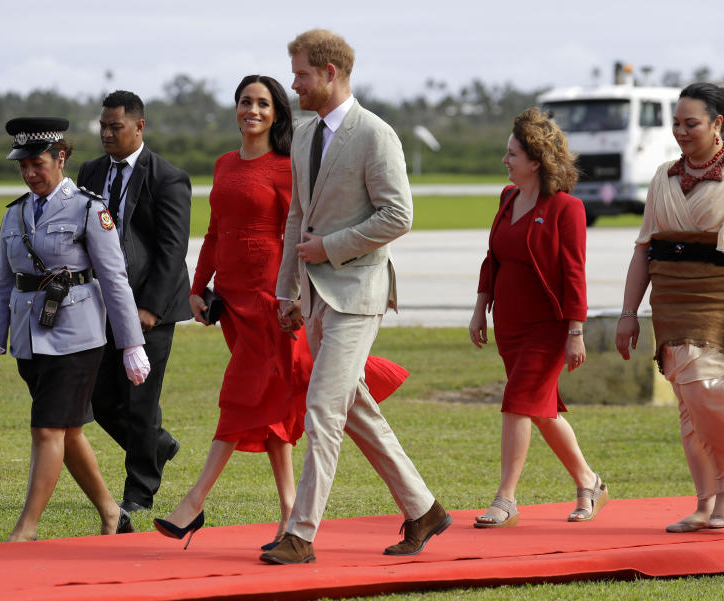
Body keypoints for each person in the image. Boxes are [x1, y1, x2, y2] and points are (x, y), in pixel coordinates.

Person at [152, 74, 410, 550]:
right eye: (245, 102)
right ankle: (291, 512)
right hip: (231, 301)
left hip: (272, 299)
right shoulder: (225, 164)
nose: (252, 110)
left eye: (263, 103)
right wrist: (197, 286)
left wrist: (292, 293)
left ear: (276, 114)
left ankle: (194, 501)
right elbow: (214, 231)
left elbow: (298, 230)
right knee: (269, 398)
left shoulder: (286, 164)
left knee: (241, 392)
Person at [261, 30, 450, 565]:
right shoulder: (301, 134)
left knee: (322, 406)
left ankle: (301, 534)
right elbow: (298, 216)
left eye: (299, 74)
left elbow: (398, 215)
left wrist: (330, 249)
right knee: (354, 407)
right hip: (316, 295)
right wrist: (287, 289)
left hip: (358, 290)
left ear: (329, 73)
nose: (292, 84)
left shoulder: (375, 134)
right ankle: (424, 510)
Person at [0, 117, 151, 541]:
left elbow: (114, 280)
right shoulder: (15, 213)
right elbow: (3, 284)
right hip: (29, 339)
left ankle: (27, 529)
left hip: (76, 338)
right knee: (68, 430)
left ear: (60, 158)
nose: (30, 173)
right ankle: (113, 514)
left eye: (37, 163)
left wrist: (131, 343)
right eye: (23, 166)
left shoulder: (89, 209)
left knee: (47, 428)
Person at [615, 83, 724, 533]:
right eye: (676, 123)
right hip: (671, 301)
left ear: (719, 124)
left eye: (691, 123)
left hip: (721, 299)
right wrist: (628, 313)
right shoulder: (662, 176)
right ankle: (706, 501)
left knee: (705, 391)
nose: (680, 131)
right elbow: (644, 250)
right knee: (688, 404)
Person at [468, 107, 607, 528]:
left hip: (549, 325)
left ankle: (505, 498)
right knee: (541, 410)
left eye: (512, 154)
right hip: (509, 321)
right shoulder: (508, 197)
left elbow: (573, 272)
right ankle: (589, 482)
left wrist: (576, 330)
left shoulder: (567, 208)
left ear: (536, 160)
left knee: (518, 402)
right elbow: (493, 257)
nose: (505, 161)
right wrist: (479, 308)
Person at [77, 90, 190, 513]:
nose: (106, 134)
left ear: (139, 127)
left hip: (150, 309)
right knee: (102, 400)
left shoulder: (167, 177)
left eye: (115, 127)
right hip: (104, 303)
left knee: (141, 401)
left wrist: (150, 309)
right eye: (103, 127)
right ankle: (157, 446)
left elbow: (172, 249)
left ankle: (139, 492)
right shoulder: (90, 171)